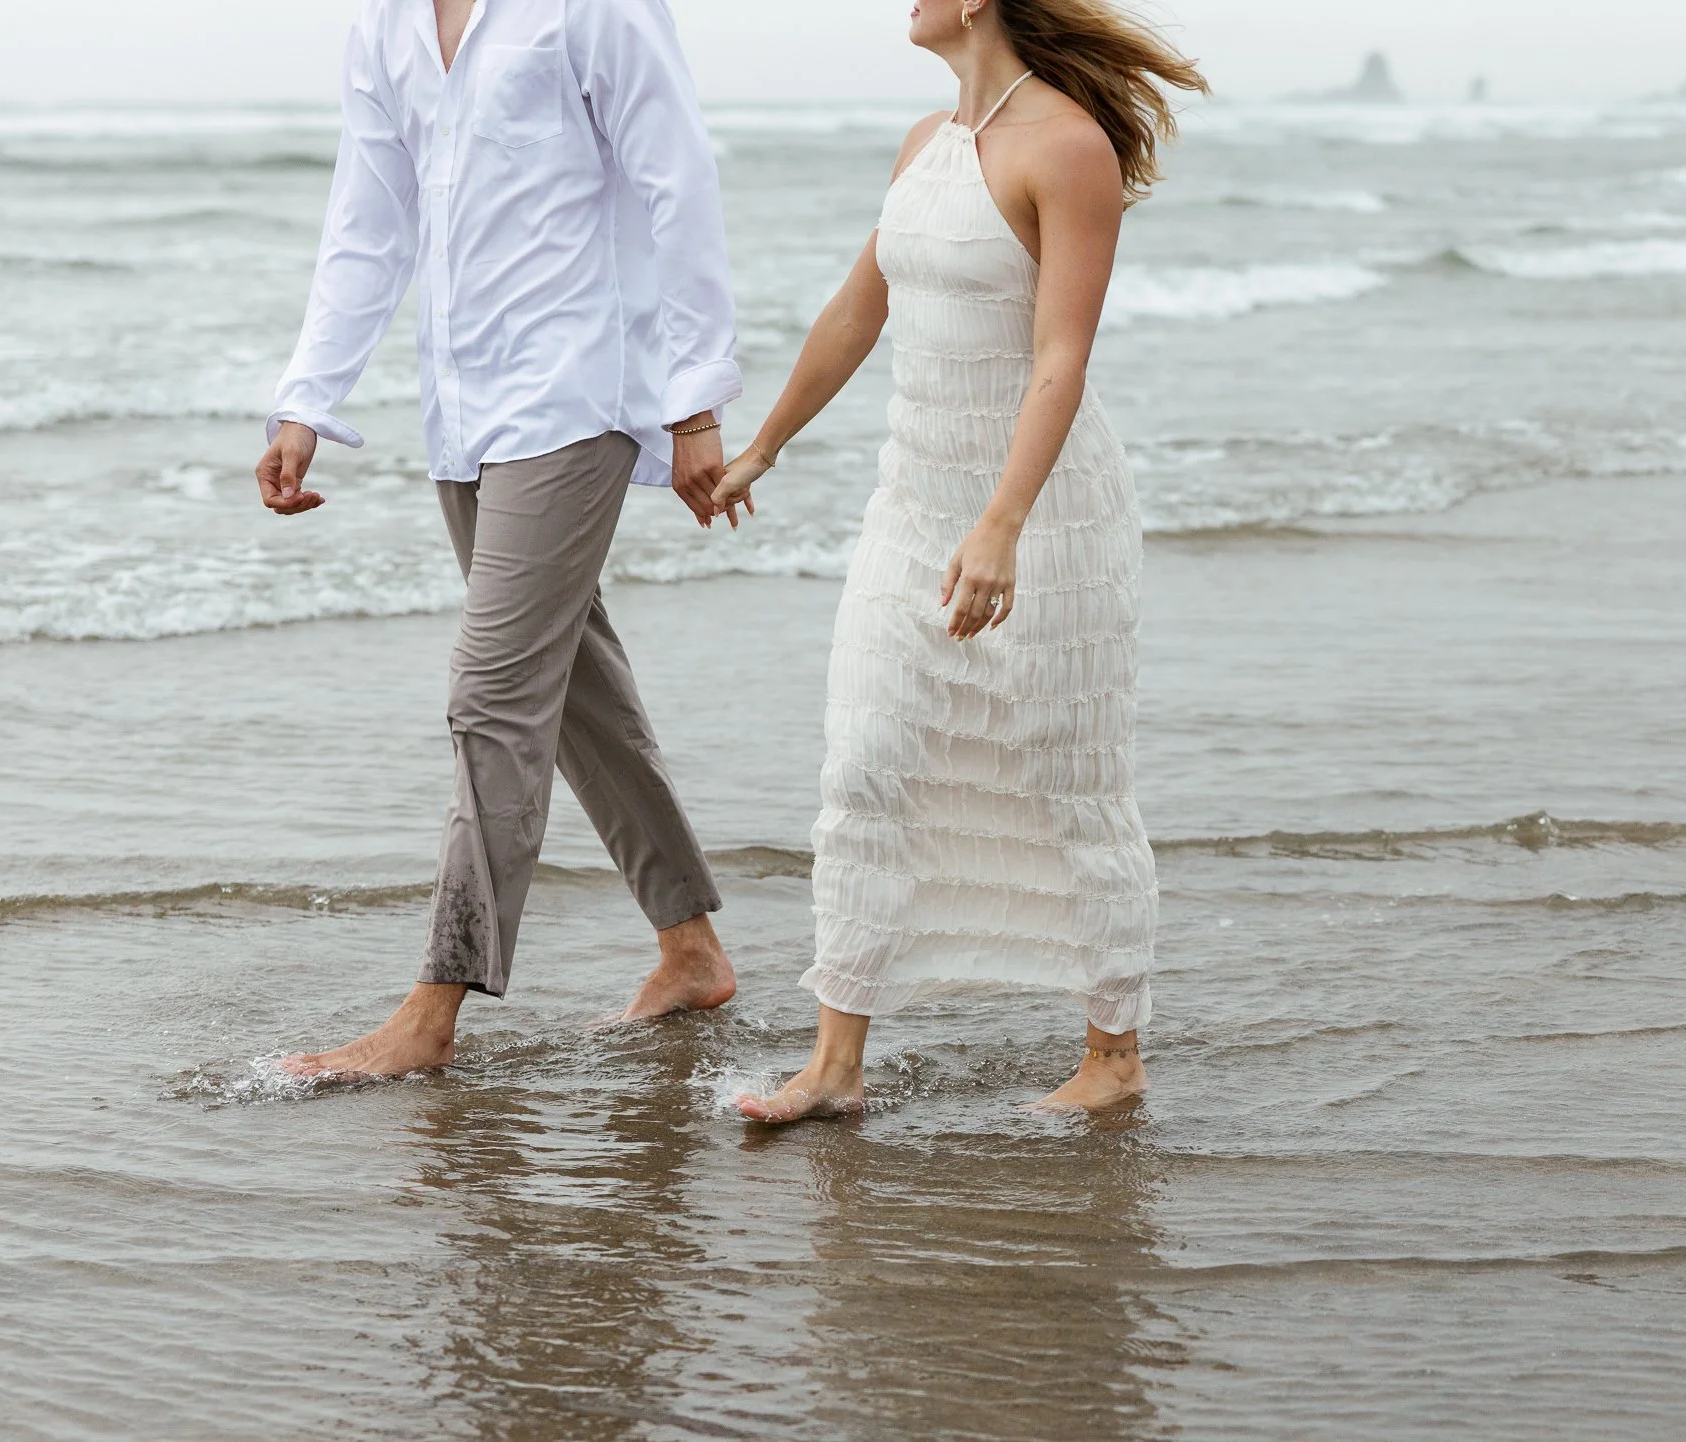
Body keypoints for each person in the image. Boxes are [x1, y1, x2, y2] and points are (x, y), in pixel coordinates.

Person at [710, 0, 1207, 1119]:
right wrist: (764, 446)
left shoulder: (1068, 147)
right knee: (864, 768)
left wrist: (1003, 522)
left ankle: (1113, 1056)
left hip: (1047, 515)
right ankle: (835, 1065)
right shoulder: (925, 143)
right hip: (911, 503)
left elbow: (1062, 355)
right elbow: (857, 311)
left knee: (1070, 782)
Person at [256, 0, 744, 1079]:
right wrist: (308, 399)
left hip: (580, 388)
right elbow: (368, 219)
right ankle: (692, 950)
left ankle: (430, 1012)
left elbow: (676, 179)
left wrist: (696, 399)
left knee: (493, 694)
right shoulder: (386, 25)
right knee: (571, 688)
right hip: (463, 401)